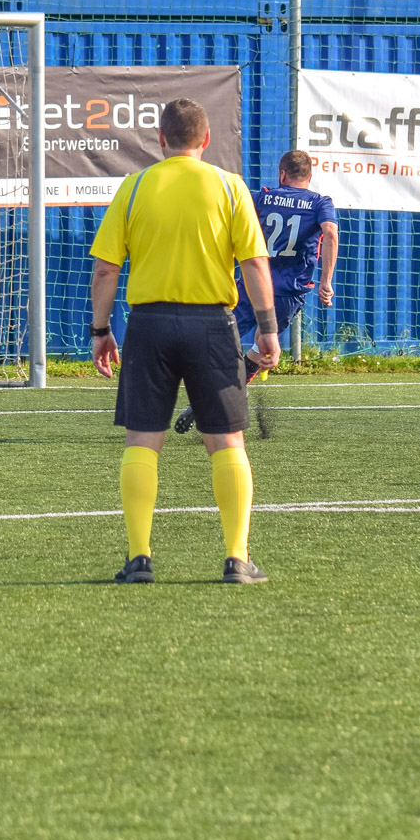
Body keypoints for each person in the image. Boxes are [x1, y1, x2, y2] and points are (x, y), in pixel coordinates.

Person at [89, 98, 279, 586]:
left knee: (142, 441)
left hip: (148, 326)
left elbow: (106, 269)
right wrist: (268, 328)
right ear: (206, 139)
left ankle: (139, 559)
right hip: (212, 326)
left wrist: (101, 331)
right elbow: (255, 265)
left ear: (161, 139)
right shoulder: (230, 186)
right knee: (227, 442)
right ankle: (237, 559)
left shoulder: (134, 187)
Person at [175, 148, 337, 434]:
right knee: (262, 348)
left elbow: (227, 217)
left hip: (252, 283)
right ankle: (224, 396)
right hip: (288, 293)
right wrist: (326, 281)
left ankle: (208, 395)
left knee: (223, 339)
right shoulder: (320, 203)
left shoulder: (262, 197)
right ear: (309, 177)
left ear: (282, 174)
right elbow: (331, 233)